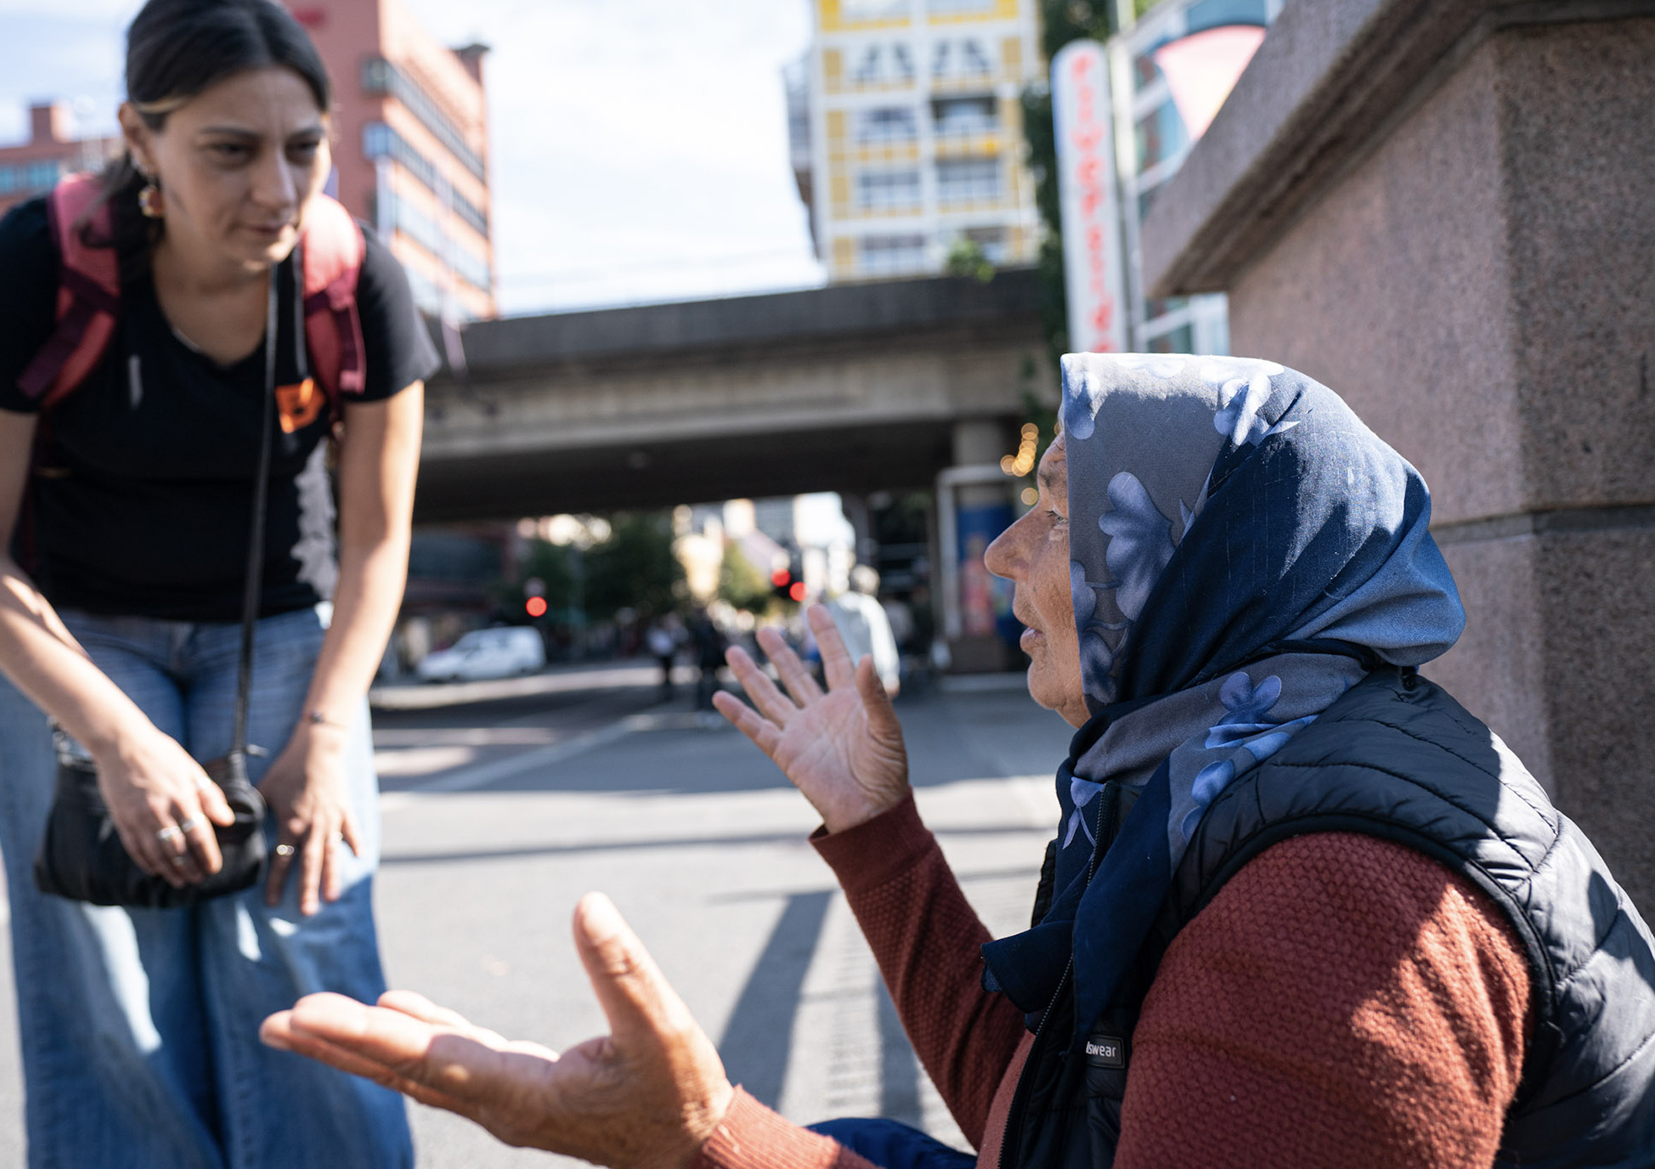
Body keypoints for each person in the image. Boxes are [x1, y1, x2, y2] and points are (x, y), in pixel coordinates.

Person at [259, 355, 1655, 1167]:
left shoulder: (1334, 905)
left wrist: (696, 1136)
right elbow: (1031, 1121)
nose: (1002, 555)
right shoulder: (1226, 766)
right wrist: (878, 831)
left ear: (1190, 558)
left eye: (1058, 512)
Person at [0, 1, 437, 1164]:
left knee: (306, 941)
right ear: (141, 138)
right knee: (114, 972)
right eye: (231, 150)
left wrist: (328, 733)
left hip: (280, 625)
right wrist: (114, 740)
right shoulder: (34, 262)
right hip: (74, 634)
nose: (277, 188)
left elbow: (378, 542)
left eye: (303, 147)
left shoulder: (355, 281)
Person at [825, 565, 901, 697]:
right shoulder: (871, 608)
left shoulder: (834, 607)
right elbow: (881, 643)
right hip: (870, 675)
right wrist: (889, 675)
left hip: (841, 673)